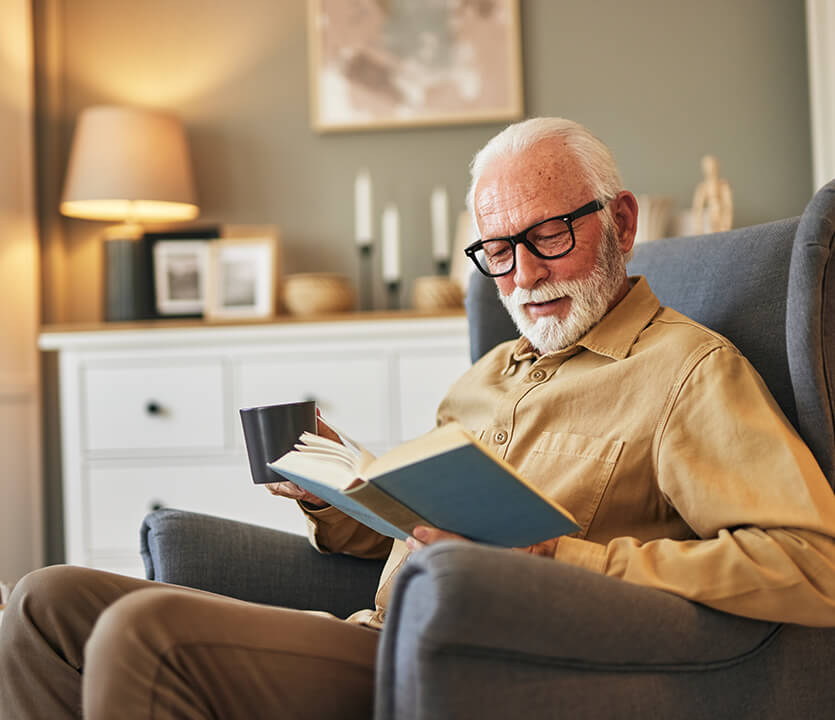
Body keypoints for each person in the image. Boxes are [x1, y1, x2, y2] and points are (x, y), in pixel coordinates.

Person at [2, 116, 834, 719]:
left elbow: (812, 561)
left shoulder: (685, 373)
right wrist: (337, 494)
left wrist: (560, 557)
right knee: (47, 602)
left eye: (549, 237)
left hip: (476, 662)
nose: (523, 277)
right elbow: (429, 533)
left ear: (618, 222)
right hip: (373, 628)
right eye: (497, 251)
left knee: (148, 630)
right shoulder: (487, 377)